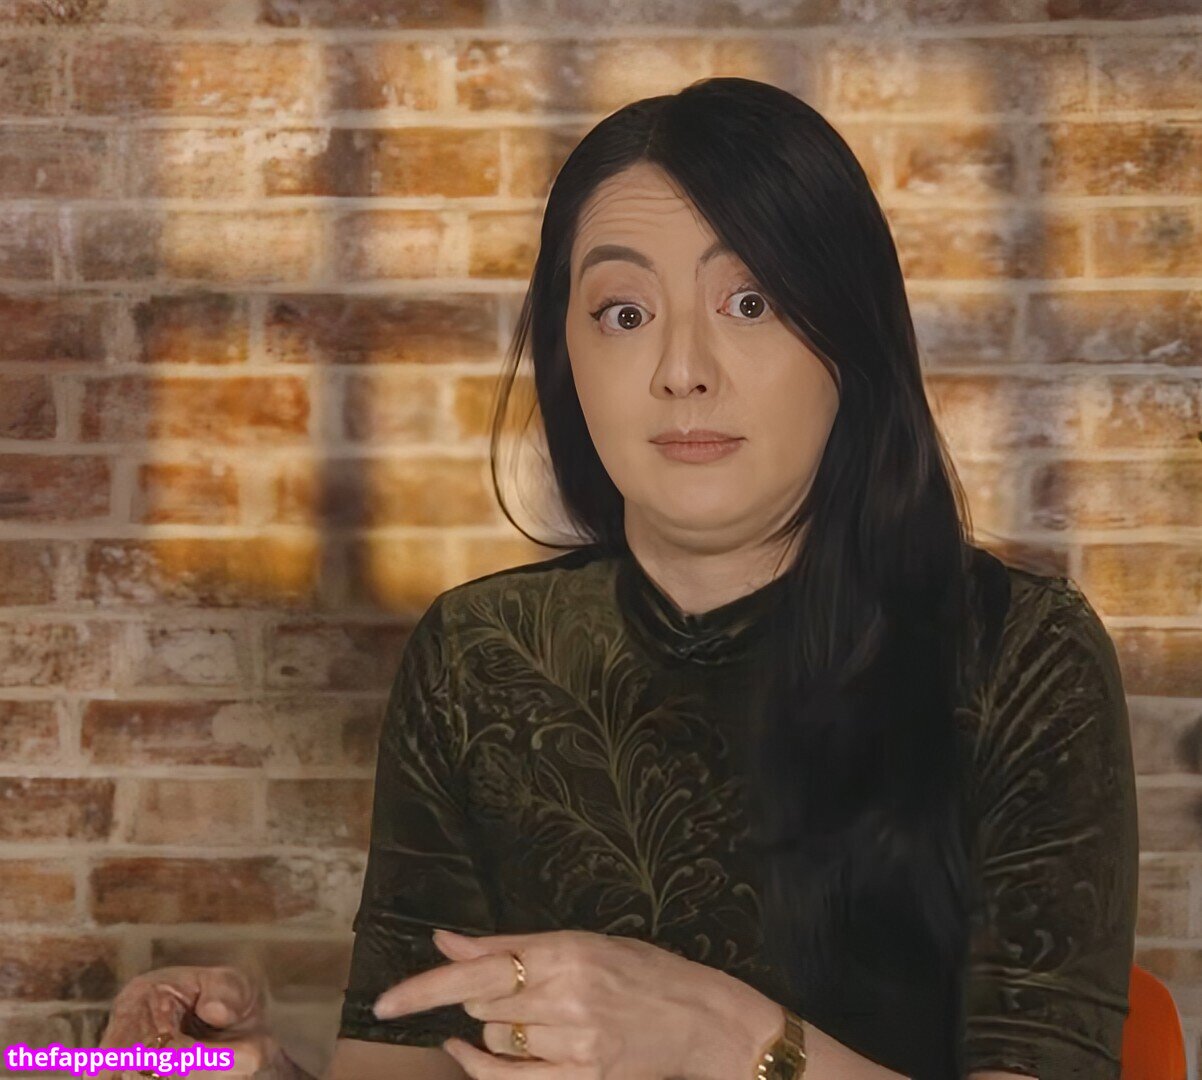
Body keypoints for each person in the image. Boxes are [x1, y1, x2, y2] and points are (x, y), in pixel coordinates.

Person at [96, 77, 1139, 1080]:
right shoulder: (478, 656)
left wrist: (715, 1034)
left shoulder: (1017, 657)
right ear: (567, 359)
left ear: (849, 342)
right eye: (624, 314)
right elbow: (403, 1064)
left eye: (749, 302)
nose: (682, 370)